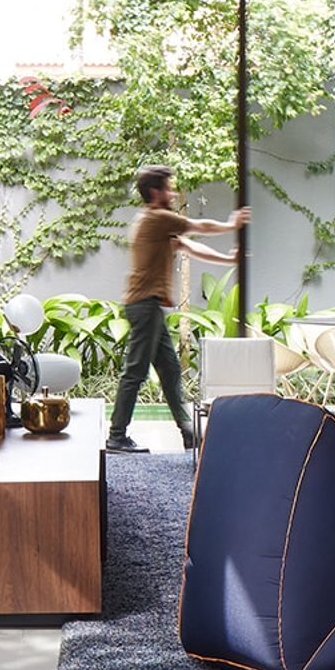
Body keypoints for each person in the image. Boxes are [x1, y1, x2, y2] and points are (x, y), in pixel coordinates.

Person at [106, 164, 250, 453]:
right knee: (135, 371)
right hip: (144, 306)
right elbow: (198, 227)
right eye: (169, 189)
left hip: (149, 307)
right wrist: (230, 225)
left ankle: (188, 433)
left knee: (170, 369)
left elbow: (189, 247)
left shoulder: (157, 225)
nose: (173, 194)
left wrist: (228, 260)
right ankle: (116, 436)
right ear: (155, 192)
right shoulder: (156, 218)